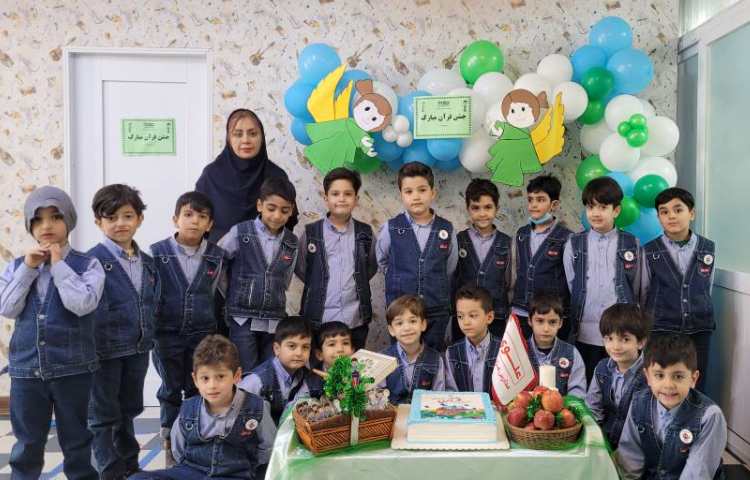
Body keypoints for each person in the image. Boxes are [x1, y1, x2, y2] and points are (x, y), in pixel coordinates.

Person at [0, 186, 103, 479]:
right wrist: (28, 269)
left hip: (74, 370)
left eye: (55, 217)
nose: (47, 225)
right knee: (27, 444)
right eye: (38, 219)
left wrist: (59, 266)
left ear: (68, 220)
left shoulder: (88, 264)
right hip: (27, 371)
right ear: (30, 225)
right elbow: (7, 307)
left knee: (77, 441)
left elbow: (81, 304)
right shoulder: (16, 266)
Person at [87, 184, 161, 479]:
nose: (120, 223)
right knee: (102, 415)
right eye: (111, 217)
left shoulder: (149, 263)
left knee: (129, 409)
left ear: (139, 219)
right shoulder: (90, 262)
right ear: (98, 222)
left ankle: (129, 464)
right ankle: (108, 470)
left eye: (128, 216)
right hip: (103, 352)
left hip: (138, 348)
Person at [130, 335, 275, 480]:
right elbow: (178, 450)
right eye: (205, 378)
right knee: (137, 478)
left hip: (235, 475)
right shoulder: (188, 409)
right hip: (191, 472)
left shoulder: (256, 407)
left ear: (237, 375)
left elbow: (268, 450)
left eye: (220, 377)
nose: (212, 385)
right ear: (195, 380)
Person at [149, 191, 226, 466]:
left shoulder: (217, 256)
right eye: (188, 215)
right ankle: (169, 442)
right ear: (176, 219)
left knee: (198, 387)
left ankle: (195, 439)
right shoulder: (157, 253)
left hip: (202, 335)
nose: (194, 221)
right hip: (166, 334)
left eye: (202, 216)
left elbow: (217, 292)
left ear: (210, 224)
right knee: (170, 388)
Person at [615, 334, 727, 479]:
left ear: (693, 379)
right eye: (659, 375)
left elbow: (697, 474)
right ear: (648, 377)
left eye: (678, 376)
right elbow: (630, 460)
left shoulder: (710, 416)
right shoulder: (639, 403)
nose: (668, 385)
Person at [564, 177, 641, 381]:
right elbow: (572, 284)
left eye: (603, 207)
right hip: (585, 331)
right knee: (589, 382)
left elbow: (638, 286)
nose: (596, 213)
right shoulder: (574, 243)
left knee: (620, 382)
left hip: (621, 333)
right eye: (591, 207)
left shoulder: (631, 243)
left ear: (616, 210)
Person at [219, 177, 298, 372]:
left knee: (271, 372)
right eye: (271, 208)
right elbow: (218, 265)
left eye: (284, 210)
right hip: (242, 318)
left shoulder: (291, 242)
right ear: (260, 205)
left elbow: (286, 278)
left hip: (274, 319)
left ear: (291, 210)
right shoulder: (240, 233)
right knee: (246, 373)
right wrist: (233, 293)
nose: (277, 216)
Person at [376, 162, 458, 351]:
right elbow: (383, 261)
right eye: (409, 191)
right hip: (401, 313)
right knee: (402, 360)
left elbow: (449, 267)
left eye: (422, 190)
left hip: (436, 311)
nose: (416, 196)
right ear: (401, 195)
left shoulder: (446, 229)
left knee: (434, 358)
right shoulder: (390, 227)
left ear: (433, 192)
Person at [642, 187, 715, 391]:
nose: (671, 216)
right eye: (664, 212)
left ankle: (693, 413)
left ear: (691, 213)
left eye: (678, 210)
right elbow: (644, 290)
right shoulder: (649, 250)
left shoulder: (708, 248)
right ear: (658, 218)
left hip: (699, 328)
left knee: (696, 381)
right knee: (662, 381)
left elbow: (706, 287)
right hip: (661, 328)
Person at [296, 167, 377, 351]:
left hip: (355, 320)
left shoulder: (366, 233)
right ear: (326, 198)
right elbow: (302, 269)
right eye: (335, 194)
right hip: (319, 320)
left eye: (348, 194)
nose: (341, 199)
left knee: (354, 368)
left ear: (356, 199)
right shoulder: (311, 233)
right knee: (321, 367)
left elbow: (370, 268)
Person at [196, 108, 297, 242]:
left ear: (262, 137)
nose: (246, 140)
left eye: (253, 134)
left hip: (266, 253)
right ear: (229, 139)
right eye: (238, 134)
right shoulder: (211, 176)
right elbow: (197, 221)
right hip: (219, 253)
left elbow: (289, 221)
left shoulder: (276, 176)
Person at [511, 174, 572, 340]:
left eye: (540, 200)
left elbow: (571, 279)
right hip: (522, 311)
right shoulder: (521, 234)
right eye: (530, 199)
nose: (533, 205)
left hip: (550, 315)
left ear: (554, 204)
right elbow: (518, 270)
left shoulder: (566, 237)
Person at [586, 304, 649, 449]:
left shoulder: (650, 373)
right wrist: (595, 439)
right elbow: (593, 409)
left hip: (637, 446)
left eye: (625, 339)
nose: (615, 346)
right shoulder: (602, 368)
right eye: (610, 338)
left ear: (641, 342)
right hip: (604, 440)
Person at [454, 179, 511, 338]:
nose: (482, 213)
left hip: (496, 316)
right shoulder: (458, 240)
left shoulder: (507, 243)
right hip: (465, 318)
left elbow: (509, 282)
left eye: (488, 207)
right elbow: (453, 277)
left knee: (495, 353)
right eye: (476, 208)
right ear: (468, 209)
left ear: (497, 208)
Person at [239, 316, 323, 424]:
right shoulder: (256, 381)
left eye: (305, 347)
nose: (299, 353)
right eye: (292, 346)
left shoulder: (307, 376)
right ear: (277, 349)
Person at [381, 295, 448, 404]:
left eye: (412, 321)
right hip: (392, 413)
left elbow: (439, 397)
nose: (407, 328)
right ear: (391, 330)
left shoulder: (436, 359)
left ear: (423, 324)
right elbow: (378, 397)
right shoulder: (384, 359)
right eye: (399, 323)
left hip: (424, 413)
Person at [526, 292, 586, 398]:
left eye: (552, 322)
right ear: (530, 321)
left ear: (560, 323)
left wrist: (562, 406)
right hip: (526, 407)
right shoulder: (519, 351)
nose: (546, 329)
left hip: (562, 407)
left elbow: (577, 394)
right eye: (540, 321)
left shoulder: (571, 353)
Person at [444, 285, 501, 393]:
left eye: (472, 315)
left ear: (489, 317)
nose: (466, 322)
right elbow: (451, 392)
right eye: (460, 316)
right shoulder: (451, 353)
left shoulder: (503, 349)